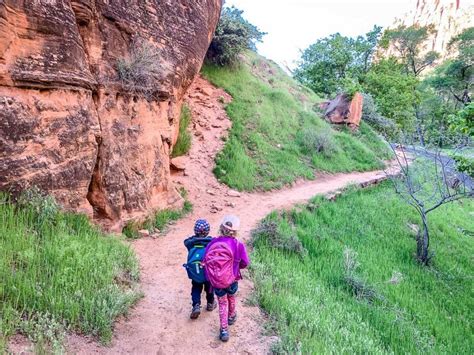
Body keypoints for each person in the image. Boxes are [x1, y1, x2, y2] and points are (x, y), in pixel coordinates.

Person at [204, 215, 249, 342]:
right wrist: (236, 265)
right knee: (231, 297)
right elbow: (245, 263)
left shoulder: (213, 242)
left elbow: (205, 260)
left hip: (217, 281)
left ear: (221, 228)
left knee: (222, 302)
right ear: (235, 231)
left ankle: (223, 330)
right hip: (232, 278)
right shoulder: (238, 245)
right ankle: (232, 316)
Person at [184, 219, 217, 319]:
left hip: (196, 272)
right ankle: (210, 303)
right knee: (209, 288)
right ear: (208, 231)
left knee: (196, 288)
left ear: (195, 231)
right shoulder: (211, 242)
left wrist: (195, 237)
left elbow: (185, 241)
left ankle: (196, 305)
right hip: (208, 272)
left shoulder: (191, 243)